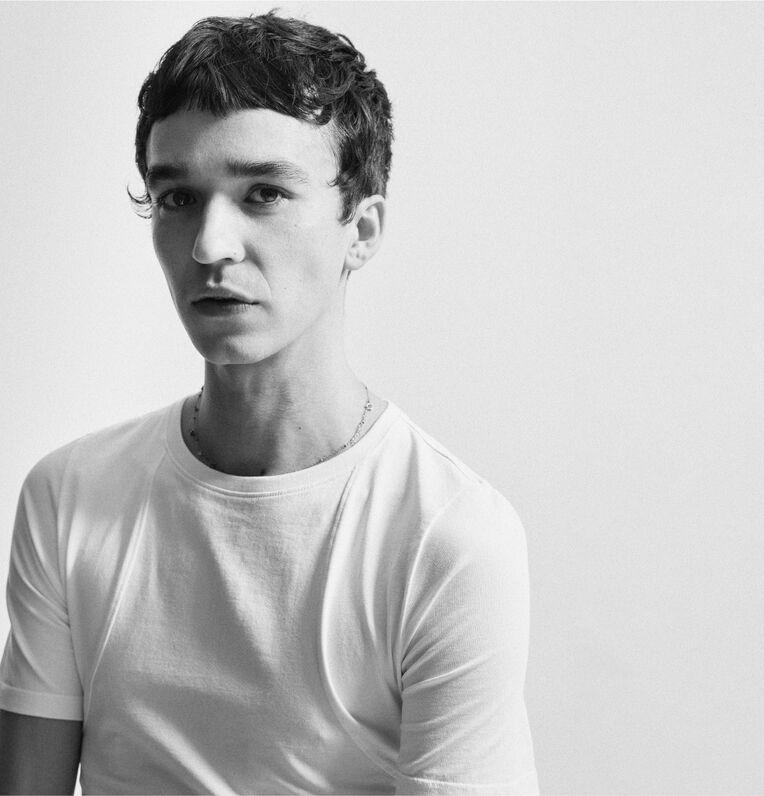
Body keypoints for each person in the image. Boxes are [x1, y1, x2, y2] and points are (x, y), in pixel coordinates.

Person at [0, 12, 538, 795]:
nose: (209, 245)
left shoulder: (447, 537)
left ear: (362, 230)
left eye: (264, 194)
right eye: (177, 197)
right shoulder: (70, 498)